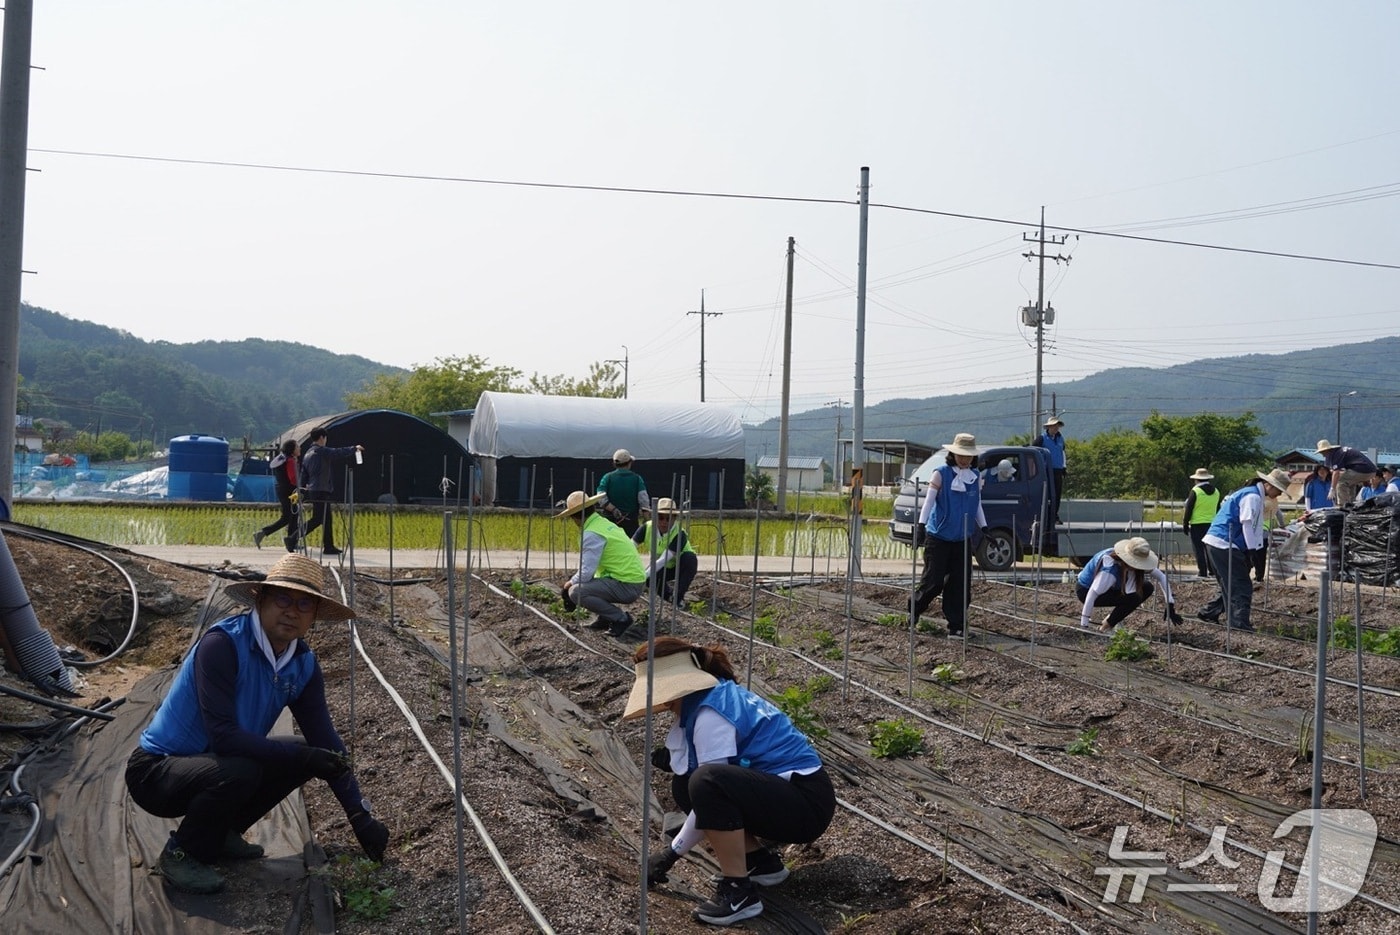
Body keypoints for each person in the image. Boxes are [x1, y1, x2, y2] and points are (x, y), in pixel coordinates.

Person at [124, 555, 388, 895]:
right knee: (245, 768)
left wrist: (360, 816)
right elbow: (223, 738)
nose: (292, 611)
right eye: (282, 598)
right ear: (260, 600)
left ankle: (221, 833)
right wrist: (304, 760)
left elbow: (326, 739)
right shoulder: (222, 645)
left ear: (314, 617)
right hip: (157, 773)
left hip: (220, 766)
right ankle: (183, 853)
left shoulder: (302, 664)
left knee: (309, 751)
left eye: (304, 604)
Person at [630, 637, 835, 927]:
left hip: (806, 804)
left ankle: (740, 893)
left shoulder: (710, 713)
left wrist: (671, 853)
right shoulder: (708, 699)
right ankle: (761, 864)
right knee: (686, 784)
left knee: (705, 782)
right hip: (789, 795)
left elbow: (710, 786)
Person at [1195, 469, 1292, 633]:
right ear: (1268, 485)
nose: (1279, 494)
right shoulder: (1252, 497)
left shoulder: (1250, 493)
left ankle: (1209, 612)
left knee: (1230, 582)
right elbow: (1247, 524)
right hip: (1225, 542)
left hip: (1217, 541)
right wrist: (1252, 549)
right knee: (1241, 585)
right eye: (1278, 490)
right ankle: (1239, 624)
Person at [910, 433, 986, 637]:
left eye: (968, 456)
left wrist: (984, 527)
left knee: (960, 585)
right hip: (939, 536)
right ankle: (914, 611)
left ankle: (956, 626)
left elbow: (976, 504)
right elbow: (928, 502)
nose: (964, 459)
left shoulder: (976, 477)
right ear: (953, 454)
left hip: (962, 538)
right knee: (933, 581)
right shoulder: (941, 474)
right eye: (961, 455)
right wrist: (920, 526)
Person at [557, 490, 648, 639]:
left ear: (575, 517)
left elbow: (586, 572)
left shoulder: (591, 533)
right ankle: (605, 617)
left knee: (576, 591)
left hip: (627, 585)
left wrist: (568, 585)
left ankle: (620, 619)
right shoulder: (603, 524)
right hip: (631, 580)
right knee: (583, 583)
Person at [1077, 537, 1183, 631]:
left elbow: (1161, 577)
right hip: (1085, 590)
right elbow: (1092, 593)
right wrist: (1084, 625)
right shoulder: (1110, 571)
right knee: (1133, 598)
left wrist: (1169, 603)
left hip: (1109, 588)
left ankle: (1110, 620)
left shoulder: (1130, 566)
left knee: (1147, 588)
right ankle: (1106, 627)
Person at [299, 428, 364, 557]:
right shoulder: (321, 451)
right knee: (318, 519)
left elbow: (303, 474)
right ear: (322, 438)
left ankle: (328, 546)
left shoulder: (308, 453)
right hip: (320, 489)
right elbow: (337, 452)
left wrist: (301, 488)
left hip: (313, 489)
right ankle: (293, 537)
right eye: (325, 438)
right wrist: (354, 448)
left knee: (326, 519)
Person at [632, 497, 698, 605]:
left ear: (674, 518)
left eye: (668, 519)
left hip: (678, 566)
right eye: (661, 518)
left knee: (690, 559)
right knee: (651, 578)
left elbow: (664, 559)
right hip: (661, 568)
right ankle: (669, 597)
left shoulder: (680, 533)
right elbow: (631, 547)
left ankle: (678, 598)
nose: (664, 522)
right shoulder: (646, 528)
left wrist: (643, 577)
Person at [254, 440, 299, 551]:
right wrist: (301, 485)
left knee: (293, 515)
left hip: (282, 490)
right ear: (292, 449)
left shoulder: (282, 459)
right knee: (288, 517)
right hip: (290, 492)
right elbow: (293, 479)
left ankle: (292, 541)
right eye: (297, 447)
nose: (299, 448)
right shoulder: (290, 461)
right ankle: (263, 533)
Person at [597, 448, 651, 537]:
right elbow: (644, 500)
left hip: (610, 522)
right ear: (629, 463)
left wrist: (613, 509)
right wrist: (647, 520)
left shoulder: (607, 478)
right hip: (631, 522)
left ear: (614, 464)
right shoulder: (637, 479)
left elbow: (600, 497)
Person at [1181, 468, 1222, 579]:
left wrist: (1185, 523)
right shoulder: (1216, 491)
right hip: (1212, 524)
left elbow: (1189, 508)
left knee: (1198, 549)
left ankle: (1202, 572)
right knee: (1208, 548)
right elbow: (1218, 508)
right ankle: (1212, 571)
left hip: (1197, 523)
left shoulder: (1195, 491)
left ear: (1196, 480)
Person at [1317, 439, 1377, 508]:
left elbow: (1336, 472)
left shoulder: (1335, 454)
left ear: (1326, 450)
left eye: (1322, 452)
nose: (1322, 454)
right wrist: (1364, 479)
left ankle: (1343, 505)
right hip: (1369, 470)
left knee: (1341, 481)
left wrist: (1332, 488)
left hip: (1362, 469)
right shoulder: (1340, 452)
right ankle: (1351, 503)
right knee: (1349, 482)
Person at [1031, 416, 1067, 522]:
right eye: (1054, 426)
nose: (1056, 428)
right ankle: (1046, 516)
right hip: (1047, 470)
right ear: (1049, 427)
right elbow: (1033, 450)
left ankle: (1054, 515)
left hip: (1058, 470)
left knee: (1057, 494)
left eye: (1057, 426)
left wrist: (1064, 466)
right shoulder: (1041, 438)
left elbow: (1063, 453)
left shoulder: (1060, 438)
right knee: (1048, 494)